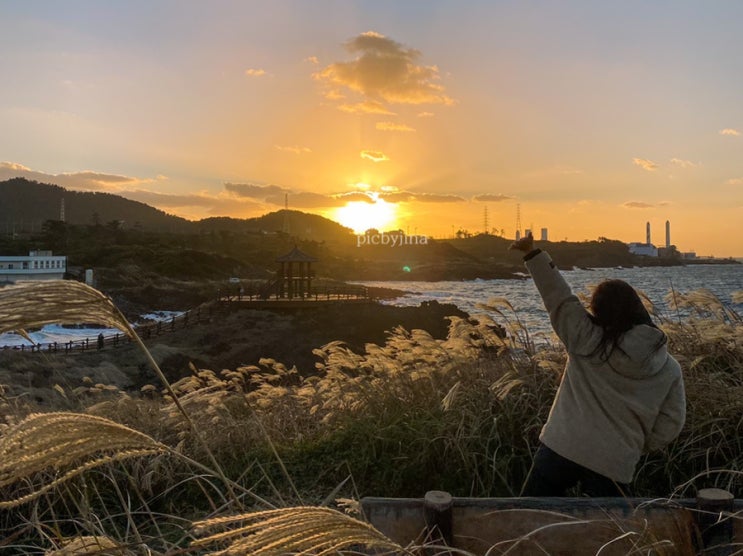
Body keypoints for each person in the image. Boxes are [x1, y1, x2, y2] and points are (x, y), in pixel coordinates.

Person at [511, 233, 686, 497]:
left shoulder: (585, 338)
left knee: (529, 519)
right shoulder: (668, 367)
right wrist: (634, 442)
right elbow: (672, 422)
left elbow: (558, 297)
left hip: (563, 446)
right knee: (607, 535)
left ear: (599, 309)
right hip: (615, 461)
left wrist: (533, 254)